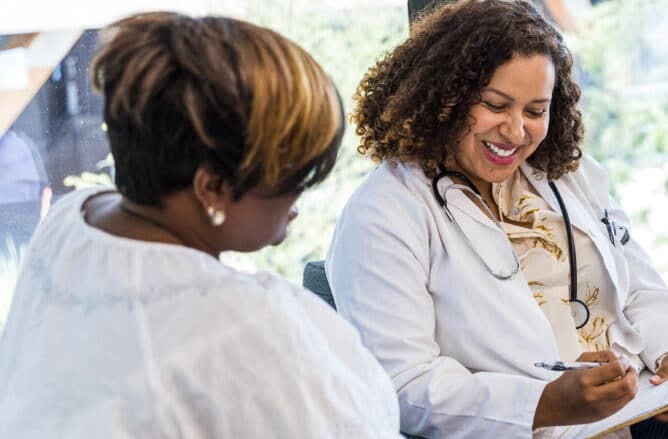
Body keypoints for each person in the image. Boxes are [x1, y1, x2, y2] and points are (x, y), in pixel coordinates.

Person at [326, 1, 668, 438]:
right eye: (495, 105)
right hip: (530, 423)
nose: (516, 131)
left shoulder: (569, 174)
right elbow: (401, 382)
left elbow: (641, 287)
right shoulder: (384, 213)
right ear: (442, 95)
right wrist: (546, 402)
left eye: (536, 110)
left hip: (639, 397)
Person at [0, 13, 400, 438]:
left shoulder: (71, 220)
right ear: (212, 187)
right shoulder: (252, 324)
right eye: (293, 178)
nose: (297, 205)